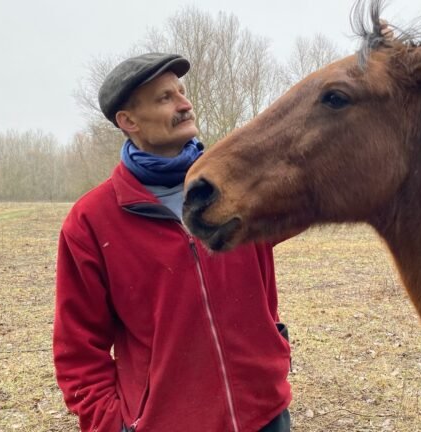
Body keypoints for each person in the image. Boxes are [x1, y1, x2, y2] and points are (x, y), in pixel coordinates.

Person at [52, 53, 292, 432]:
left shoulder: (239, 185)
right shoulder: (90, 222)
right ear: (128, 121)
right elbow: (78, 351)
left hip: (265, 414)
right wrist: (112, 424)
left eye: (182, 92)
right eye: (165, 98)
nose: (185, 104)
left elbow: (319, 185)